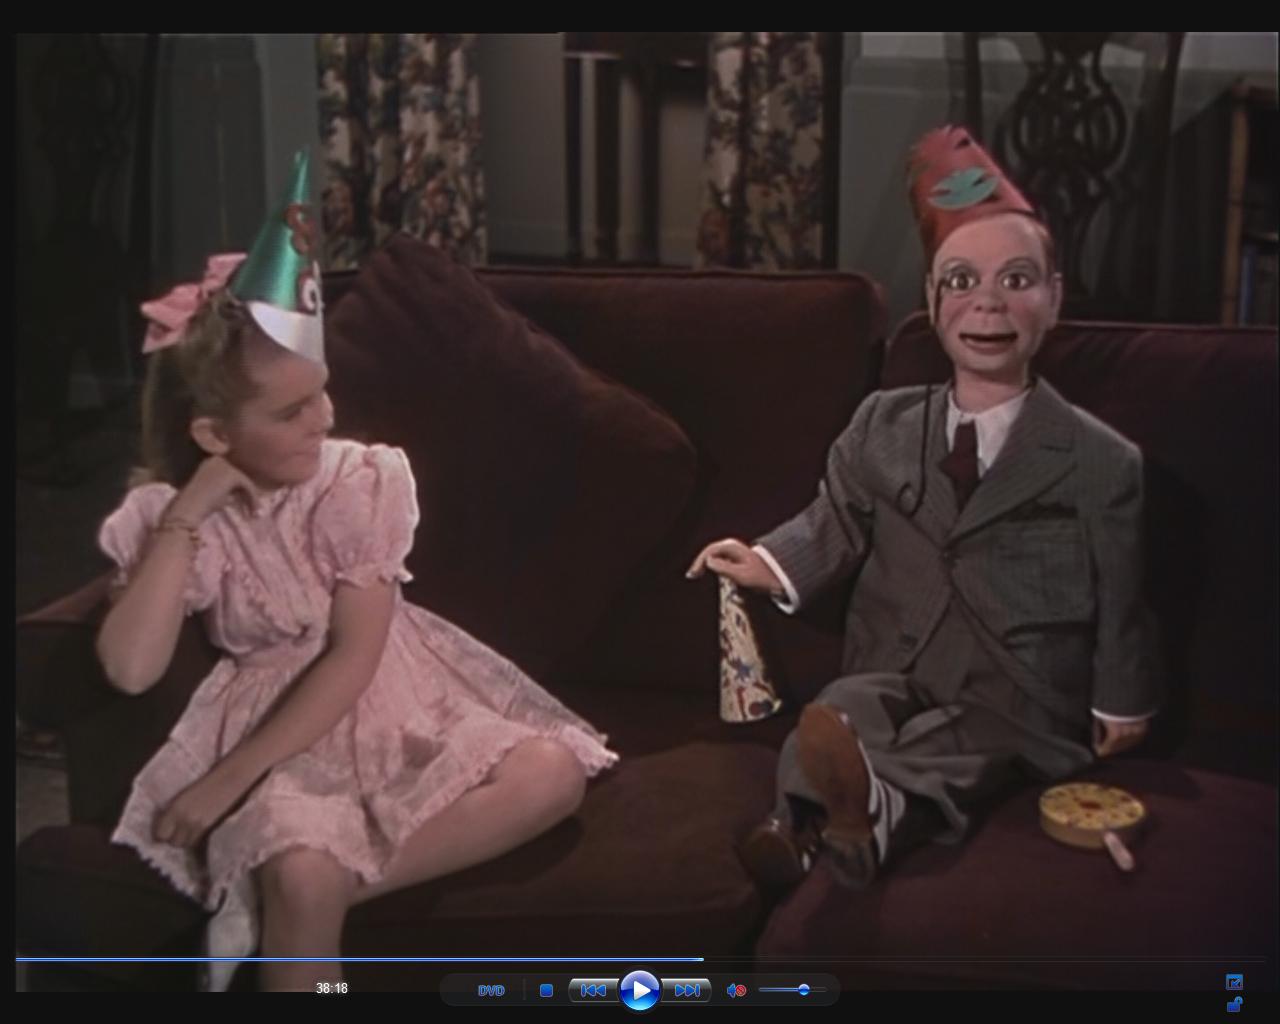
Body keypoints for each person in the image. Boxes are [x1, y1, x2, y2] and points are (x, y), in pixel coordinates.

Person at [96, 150, 617, 991]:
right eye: (292, 410)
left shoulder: (352, 480)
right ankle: (296, 895)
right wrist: (190, 512)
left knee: (551, 774)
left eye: (322, 392)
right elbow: (129, 668)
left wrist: (226, 784)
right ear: (215, 436)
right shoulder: (175, 519)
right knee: (303, 866)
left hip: (386, 690)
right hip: (280, 733)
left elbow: (354, 657)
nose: (324, 418)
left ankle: (292, 899)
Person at [688, 125, 1160, 889]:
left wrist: (1122, 700)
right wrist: (767, 561)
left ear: (1053, 298)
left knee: (962, 746)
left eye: (1016, 280)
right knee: (841, 713)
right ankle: (801, 824)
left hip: (1017, 689)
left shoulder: (1100, 458)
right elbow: (836, 519)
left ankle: (855, 817)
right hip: (898, 660)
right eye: (961, 281)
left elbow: (1123, 597)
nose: (988, 303)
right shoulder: (883, 423)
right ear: (933, 302)